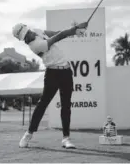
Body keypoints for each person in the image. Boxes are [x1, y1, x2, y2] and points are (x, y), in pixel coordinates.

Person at [12, 21, 88, 149]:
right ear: (23, 39)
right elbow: (58, 37)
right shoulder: (35, 46)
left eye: (27, 33)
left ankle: (66, 138)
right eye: (25, 37)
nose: (28, 37)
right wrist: (75, 28)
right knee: (43, 104)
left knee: (66, 105)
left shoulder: (36, 31)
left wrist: (75, 32)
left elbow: (55, 33)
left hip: (66, 71)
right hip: (52, 73)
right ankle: (28, 134)